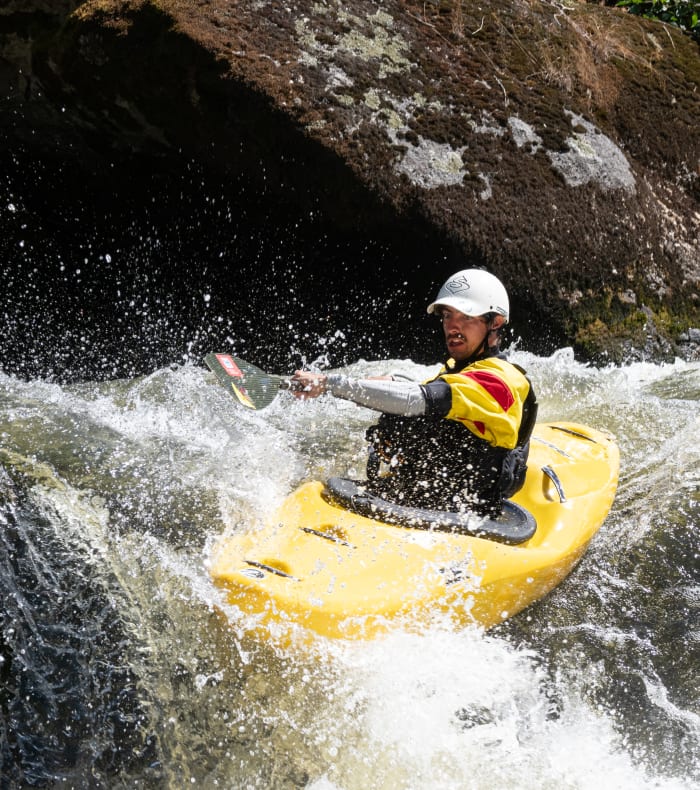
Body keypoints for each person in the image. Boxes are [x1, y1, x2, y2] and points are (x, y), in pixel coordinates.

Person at [291, 269, 537, 517]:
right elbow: (418, 386)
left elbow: (415, 398)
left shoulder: (498, 380)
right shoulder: (462, 371)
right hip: (421, 500)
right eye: (447, 315)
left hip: (463, 515)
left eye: (466, 316)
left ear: (496, 322)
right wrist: (382, 381)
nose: (453, 326)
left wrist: (330, 383)